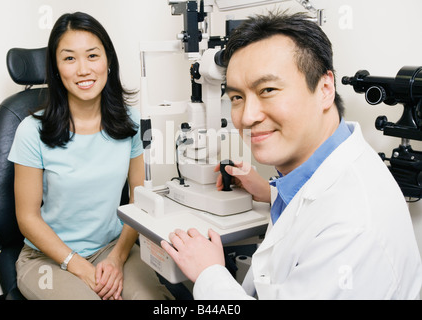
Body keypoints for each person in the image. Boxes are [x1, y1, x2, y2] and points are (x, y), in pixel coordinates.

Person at [161, 11, 422, 299]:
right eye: (237, 97)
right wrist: (272, 193)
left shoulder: (354, 229)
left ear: (324, 89)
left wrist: (209, 273)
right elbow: (312, 209)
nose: (247, 117)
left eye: (268, 89)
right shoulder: (331, 166)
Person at [9, 12, 173, 300]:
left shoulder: (132, 123)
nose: (83, 69)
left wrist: (118, 258)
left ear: (108, 61)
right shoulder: (30, 131)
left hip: (114, 247)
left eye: (92, 56)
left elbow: (139, 199)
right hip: (47, 259)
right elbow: (27, 217)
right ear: (56, 69)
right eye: (69, 58)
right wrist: (79, 266)